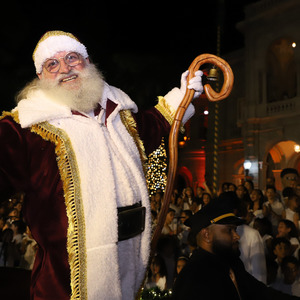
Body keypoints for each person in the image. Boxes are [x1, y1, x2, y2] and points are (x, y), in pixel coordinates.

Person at [0, 30, 203, 300]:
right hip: (64, 282)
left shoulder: (119, 113)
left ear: (87, 62)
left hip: (127, 267)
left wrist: (185, 95)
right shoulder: (24, 129)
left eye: (72, 58)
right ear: (41, 76)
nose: (66, 69)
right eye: (53, 64)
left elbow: (155, 125)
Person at [172, 193, 300, 299]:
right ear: (206, 235)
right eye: (229, 230)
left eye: (235, 230)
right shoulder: (193, 276)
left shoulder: (231, 265)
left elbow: (261, 293)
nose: (236, 236)